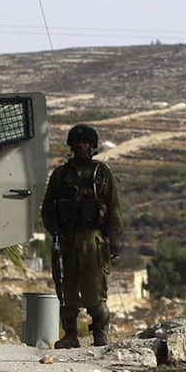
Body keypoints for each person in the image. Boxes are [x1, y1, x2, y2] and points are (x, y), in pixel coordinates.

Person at [41, 123, 124, 348]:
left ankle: (100, 334)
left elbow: (114, 208)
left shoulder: (101, 174)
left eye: (85, 142)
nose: (80, 146)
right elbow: (47, 209)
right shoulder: (60, 175)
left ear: (92, 146)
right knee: (66, 289)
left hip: (92, 240)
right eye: (76, 142)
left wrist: (114, 239)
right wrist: (56, 233)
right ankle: (70, 335)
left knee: (95, 290)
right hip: (66, 240)